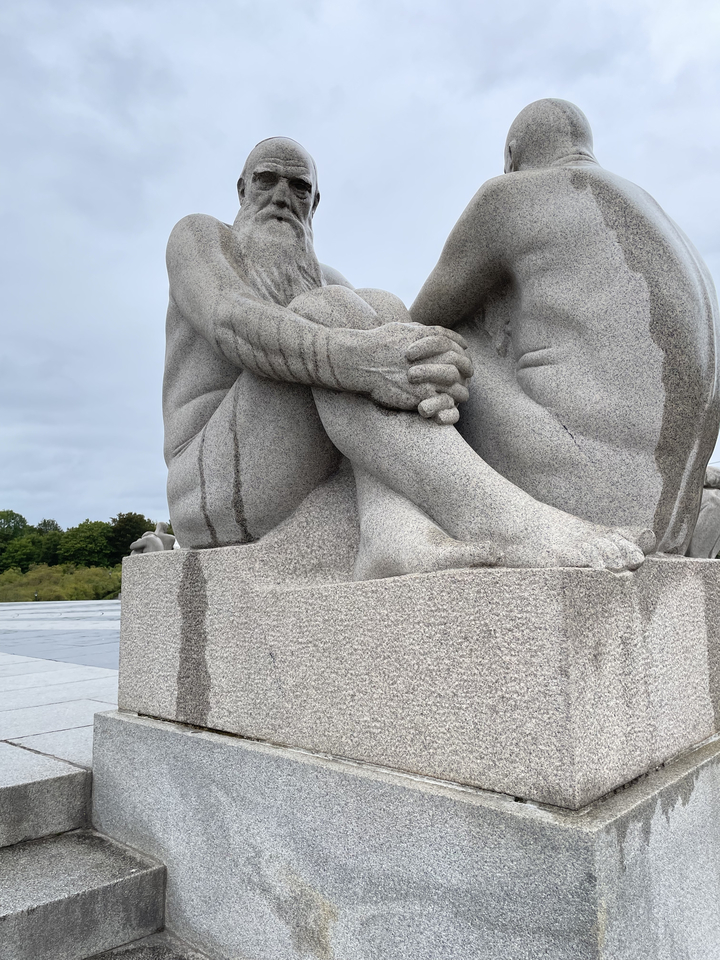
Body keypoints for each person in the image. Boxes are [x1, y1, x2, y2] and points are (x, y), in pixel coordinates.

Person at [162, 135, 652, 577]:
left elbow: (385, 367)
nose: (281, 197)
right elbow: (231, 322)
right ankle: (498, 517)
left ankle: (395, 535)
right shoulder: (203, 240)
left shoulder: (327, 279)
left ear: (315, 204)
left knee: (383, 308)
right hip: (206, 485)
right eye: (267, 180)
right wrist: (370, 361)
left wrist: (439, 377)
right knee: (333, 313)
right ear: (242, 190)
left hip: (293, 470)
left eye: (299, 188)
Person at [411, 98, 720, 555]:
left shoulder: (507, 197)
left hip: (583, 501)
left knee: (436, 347)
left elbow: (417, 321)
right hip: (671, 519)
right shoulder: (654, 213)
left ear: (512, 157)